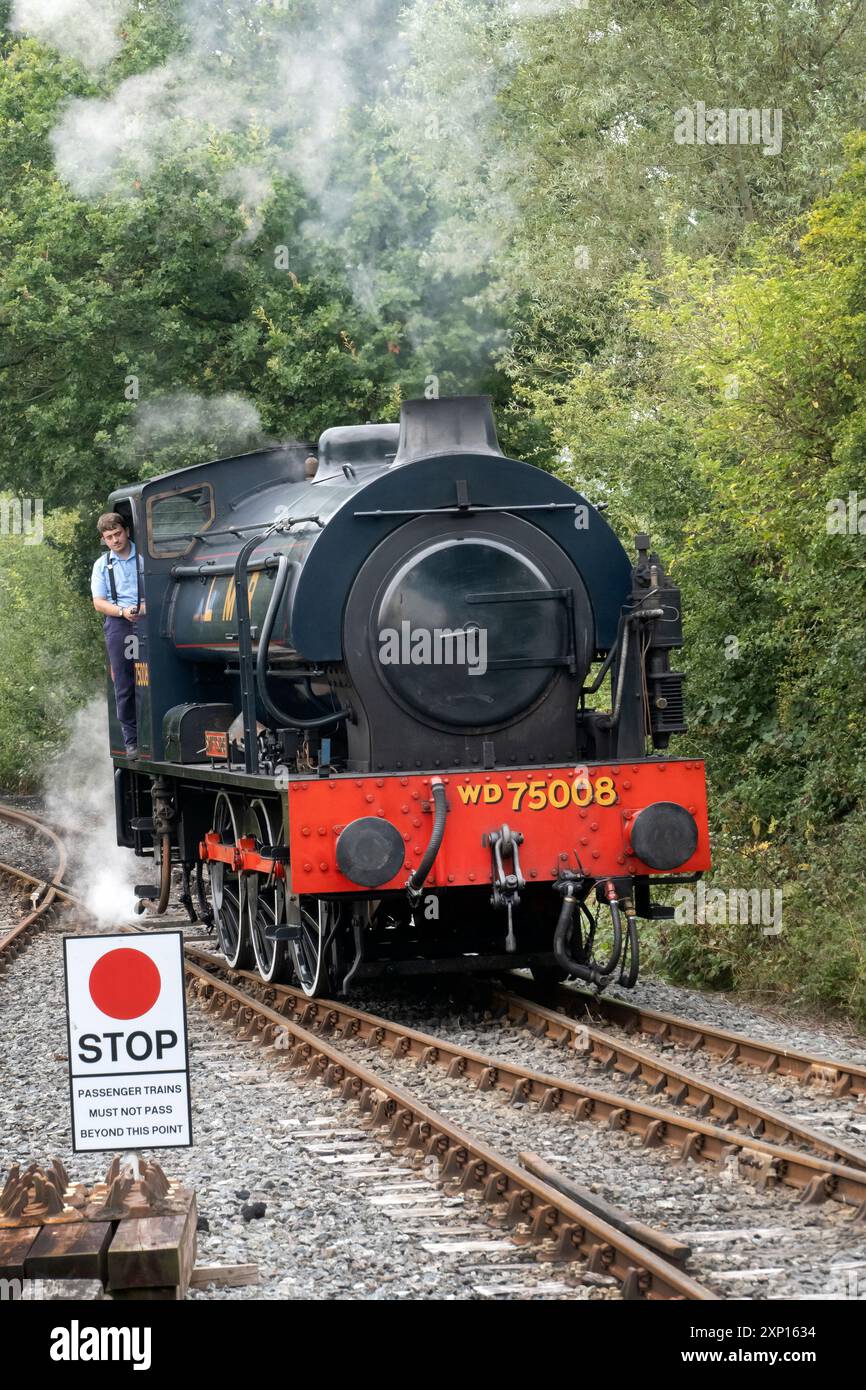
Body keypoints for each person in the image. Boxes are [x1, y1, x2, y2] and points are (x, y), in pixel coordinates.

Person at [91, 512, 140, 756]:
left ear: (126, 531)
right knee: (124, 679)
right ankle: (131, 740)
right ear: (104, 539)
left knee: (152, 675)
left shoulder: (143, 558)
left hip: (149, 619)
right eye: (109, 537)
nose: (115, 540)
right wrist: (123, 611)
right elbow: (98, 603)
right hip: (121, 624)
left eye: (118, 534)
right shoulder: (102, 565)